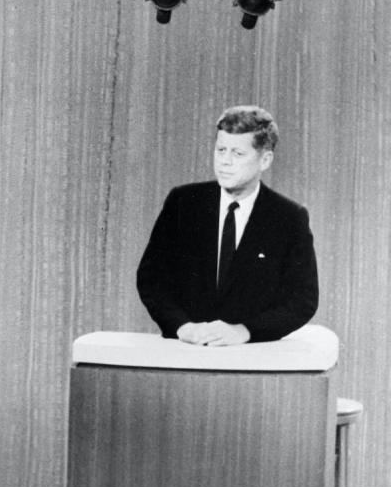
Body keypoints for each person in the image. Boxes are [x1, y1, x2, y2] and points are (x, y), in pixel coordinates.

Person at [136, 105, 318, 346]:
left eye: (238, 154)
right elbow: (151, 279)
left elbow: (302, 299)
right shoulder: (183, 202)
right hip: (186, 351)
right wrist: (182, 327)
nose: (225, 162)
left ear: (265, 159)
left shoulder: (289, 217)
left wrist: (245, 331)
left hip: (251, 359)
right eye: (221, 150)